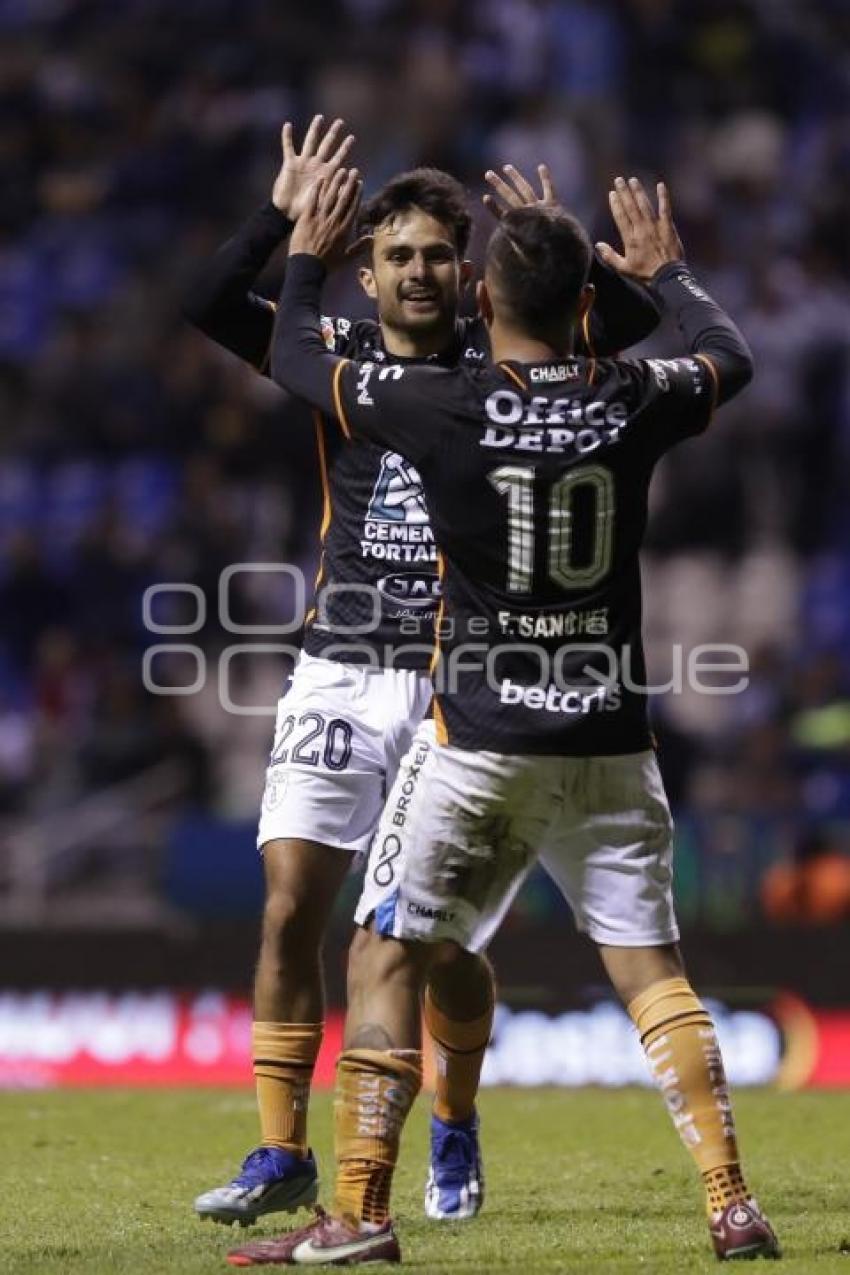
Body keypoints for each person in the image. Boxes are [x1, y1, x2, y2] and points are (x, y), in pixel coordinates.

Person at [226, 171, 780, 1266]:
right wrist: (661, 270)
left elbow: (293, 358)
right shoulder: (634, 395)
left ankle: (359, 1218)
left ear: (479, 297)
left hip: (479, 742)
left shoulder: (440, 404)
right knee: (652, 972)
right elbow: (728, 352)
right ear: (584, 300)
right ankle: (729, 1202)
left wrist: (301, 254)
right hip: (613, 742)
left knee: (385, 953)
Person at [184, 117, 661, 1226]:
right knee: (291, 903)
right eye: (397, 255)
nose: (418, 272)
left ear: (468, 267)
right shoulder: (332, 356)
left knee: (430, 944)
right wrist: (279, 217)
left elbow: (629, 324)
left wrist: (569, 247)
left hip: (458, 685)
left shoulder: (508, 357)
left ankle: (451, 1121)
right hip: (338, 668)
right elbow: (209, 306)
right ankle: (278, 1153)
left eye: (439, 254)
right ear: (366, 266)